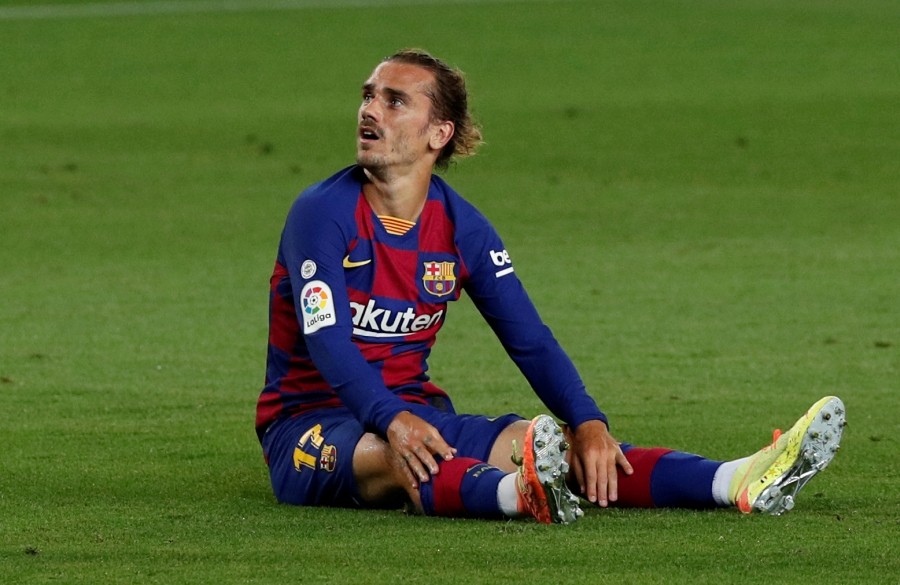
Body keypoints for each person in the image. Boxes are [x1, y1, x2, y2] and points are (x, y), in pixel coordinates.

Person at [255, 49, 845, 523]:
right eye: (368, 95)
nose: (369, 110)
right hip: (310, 426)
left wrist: (589, 422)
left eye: (393, 100)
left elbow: (529, 339)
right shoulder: (322, 214)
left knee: (566, 449)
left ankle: (735, 481)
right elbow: (328, 341)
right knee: (400, 455)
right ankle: (519, 496)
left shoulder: (463, 228)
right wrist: (390, 418)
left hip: (417, 414)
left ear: (439, 133)